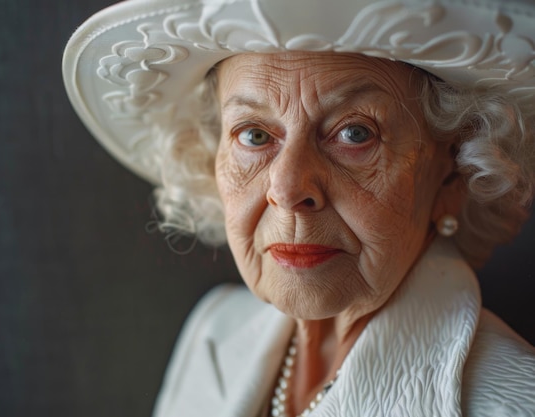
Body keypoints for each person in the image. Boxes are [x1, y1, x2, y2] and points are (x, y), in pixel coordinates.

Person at [62, 0, 535, 415]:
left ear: (454, 171)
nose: (287, 189)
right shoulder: (214, 333)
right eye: (254, 135)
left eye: (355, 133)